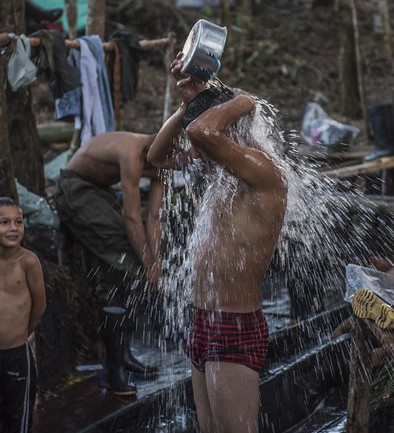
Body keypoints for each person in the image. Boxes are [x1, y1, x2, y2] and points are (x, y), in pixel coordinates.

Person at [148, 51, 288, 433]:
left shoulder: (263, 170)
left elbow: (200, 133)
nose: (196, 154)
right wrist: (186, 106)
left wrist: (240, 100)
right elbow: (157, 156)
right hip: (202, 320)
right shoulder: (221, 175)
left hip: (234, 325)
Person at [53, 131, 162, 396]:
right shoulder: (131, 152)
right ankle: (115, 370)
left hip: (100, 193)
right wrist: (148, 266)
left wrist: (157, 262)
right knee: (126, 253)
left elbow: (155, 217)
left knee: (115, 272)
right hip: (76, 190)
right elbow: (133, 219)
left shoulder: (165, 164)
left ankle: (121, 359)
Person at [0, 196, 47, 433]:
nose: (14, 228)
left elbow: (39, 306)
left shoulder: (29, 262)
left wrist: (21, 332)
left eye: (19, 222)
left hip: (16, 353)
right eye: (5, 222)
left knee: (18, 415)